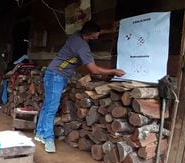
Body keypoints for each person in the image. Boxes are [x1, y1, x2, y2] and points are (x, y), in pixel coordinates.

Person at [35, 21, 126, 153]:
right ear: (87, 35)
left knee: (47, 105)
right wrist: (114, 71)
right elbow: (93, 70)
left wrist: (110, 30)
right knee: (51, 108)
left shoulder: (77, 35)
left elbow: (97, 32)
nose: (96, 38)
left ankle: (40, 133)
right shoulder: (82, 47)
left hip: (54, 73)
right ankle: (48, 139)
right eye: (94, 36)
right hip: (56, 76)